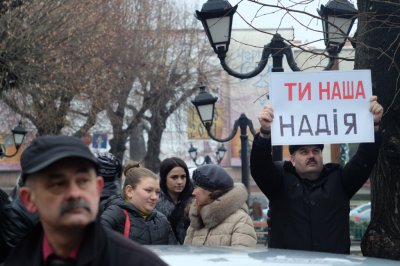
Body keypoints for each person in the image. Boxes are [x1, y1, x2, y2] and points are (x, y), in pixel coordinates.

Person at [3, 135, 167, 266]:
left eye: (83, 181)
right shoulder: (17, 261)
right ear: (29, 200)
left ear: (97, 188)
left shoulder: (140, 262)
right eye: (58, 184)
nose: (75, 193)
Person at [250, 96, 384, 254]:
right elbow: (260, 167)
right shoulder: (280, 181)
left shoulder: (340, 180)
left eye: (316, 151)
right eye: (304, 152)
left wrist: (373, 125)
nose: (311, 155)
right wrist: (265, 133)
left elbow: (364, 159)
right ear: (292, 159)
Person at [101, 161, 177, 245]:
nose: (154, 197)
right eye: (148, 190)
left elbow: (175, 254)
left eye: (157, 192)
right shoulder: (115, 214)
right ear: (129, 191)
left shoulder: (162, 220)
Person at [184, 164, 257, 247]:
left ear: (211, 191)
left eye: (197, 187)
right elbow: (187, 256)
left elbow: (240, 258)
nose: (193, 193)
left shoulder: (241, 220)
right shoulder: (197, 218)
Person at [156, 157, 193, 244]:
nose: (180, 182)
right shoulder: (153, 203)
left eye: (183, 177)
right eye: (174, 177)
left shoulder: (195, 202)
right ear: (164, 178)